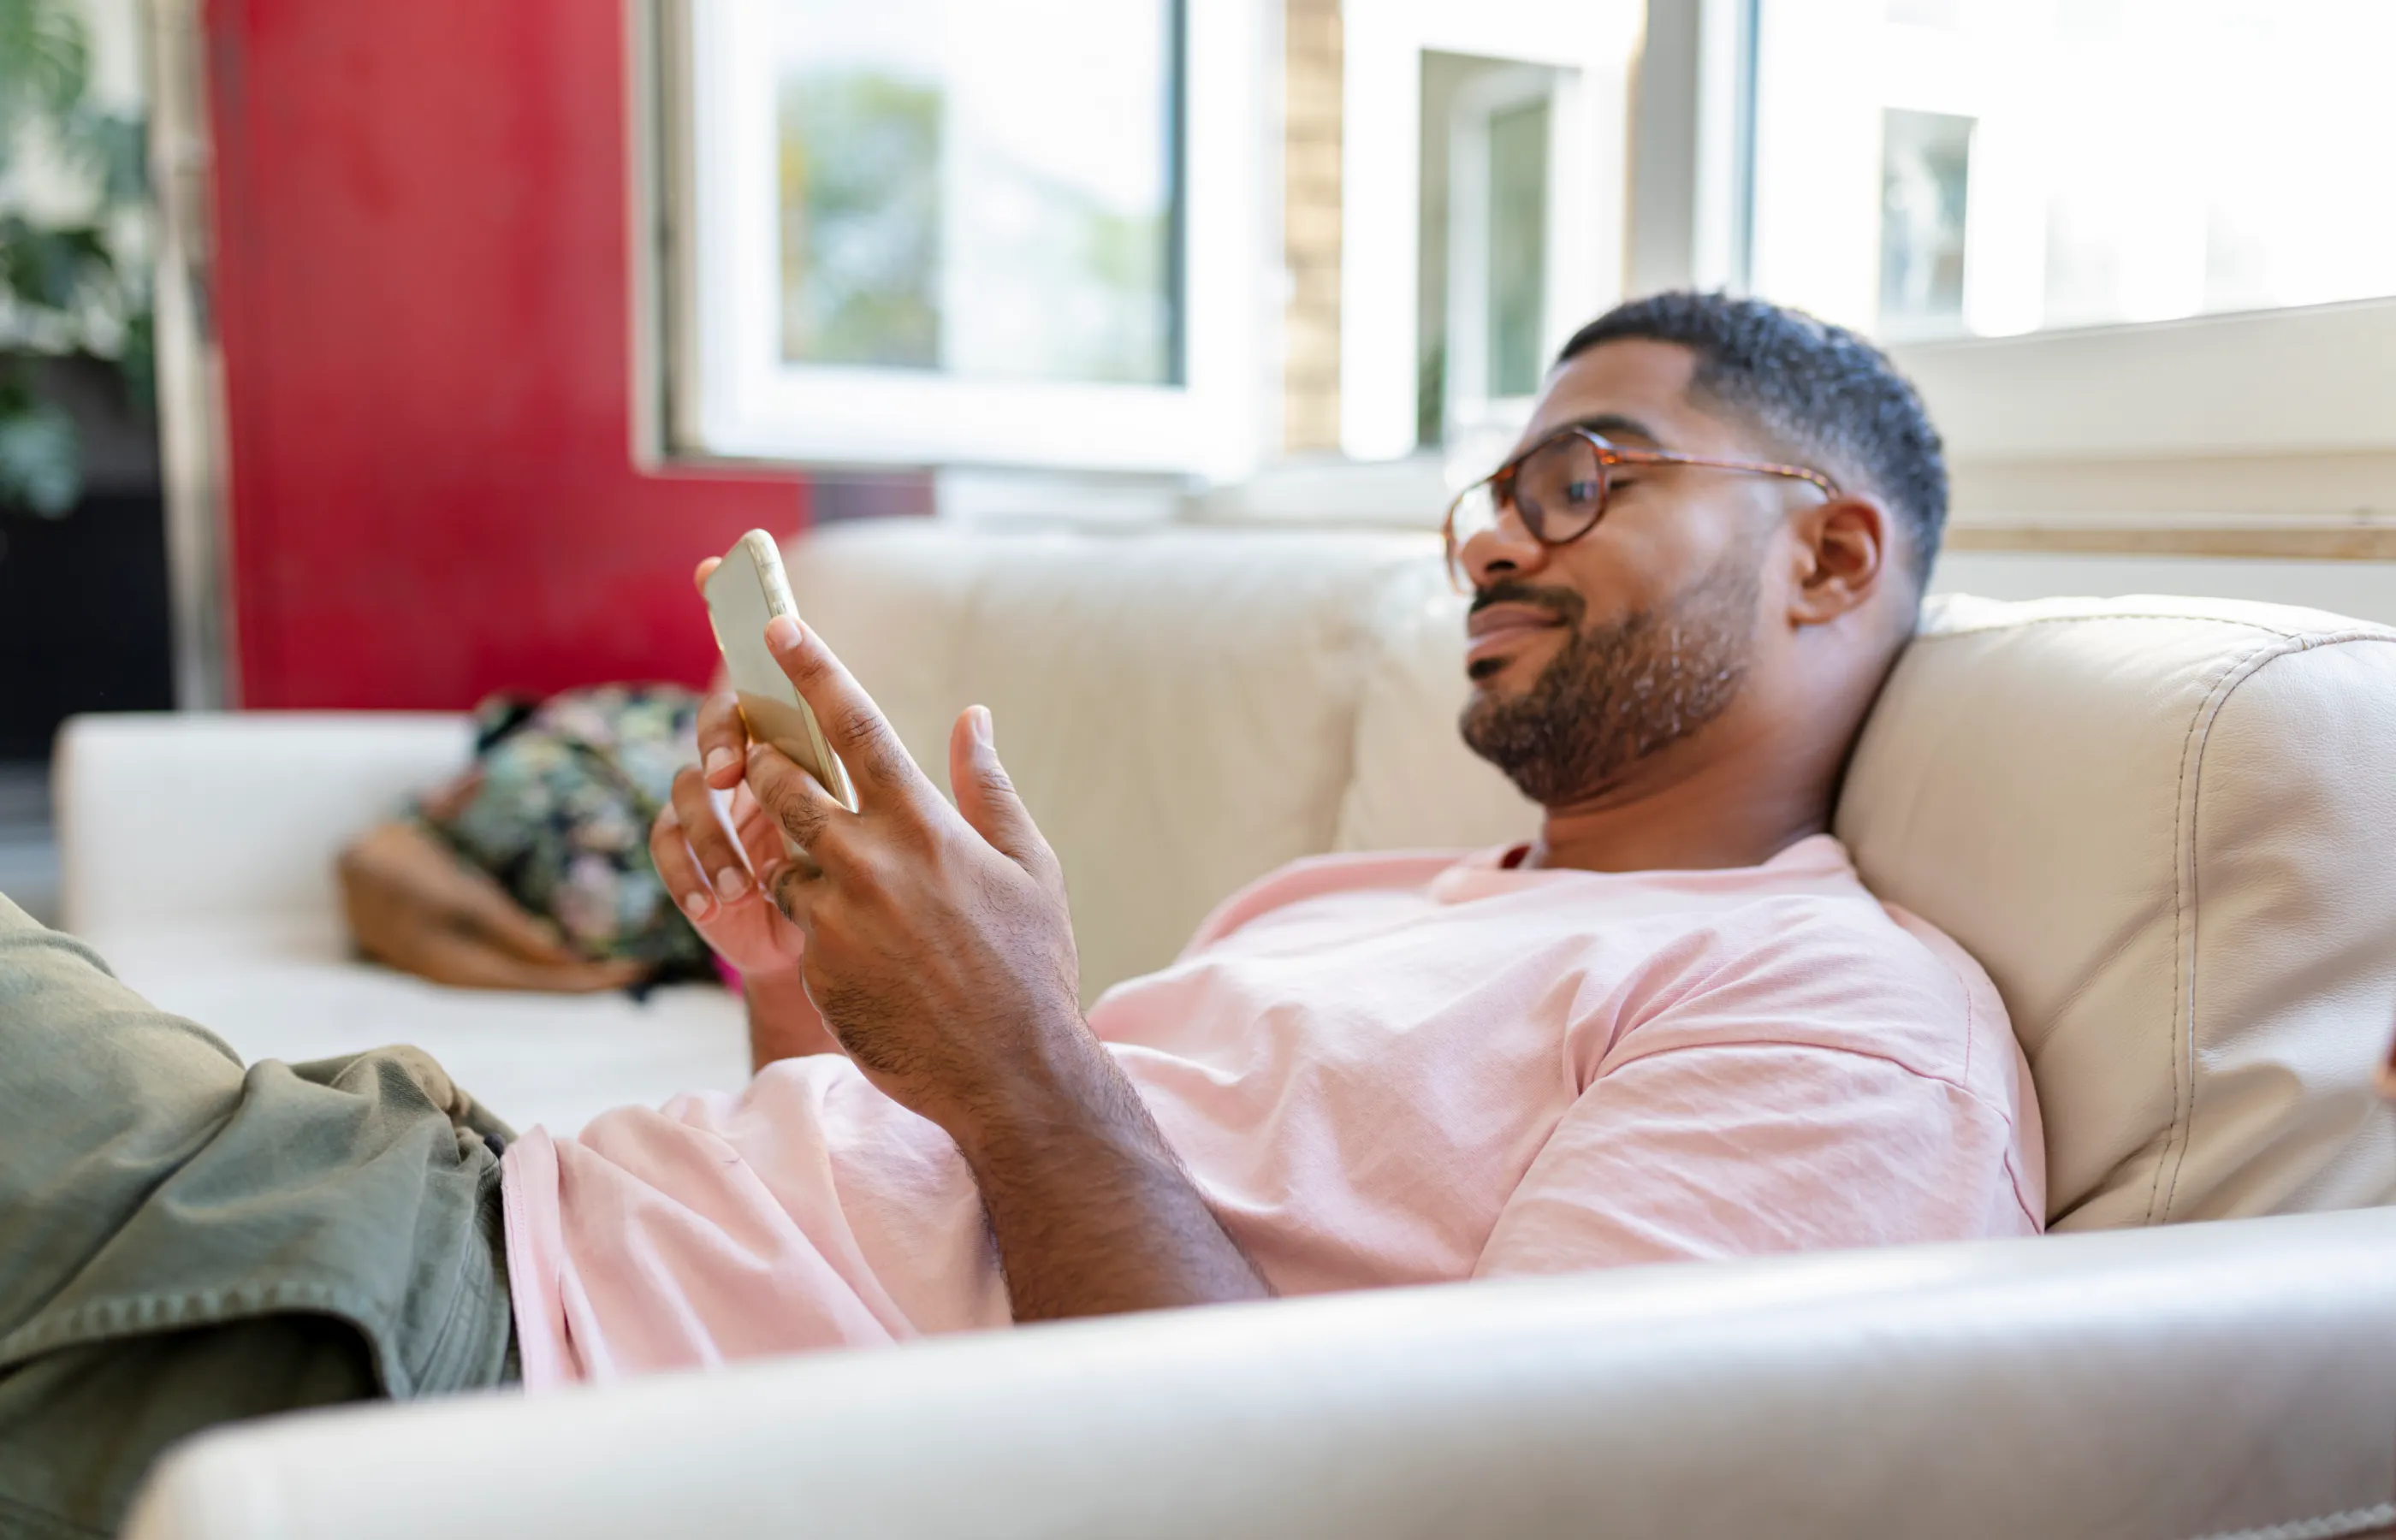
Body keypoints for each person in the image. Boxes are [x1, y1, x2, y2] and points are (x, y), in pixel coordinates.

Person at [0, 293, 2041, 1535]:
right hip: (478, 1221)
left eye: (1583, 479)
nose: (1498, 540)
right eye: (1489, 497)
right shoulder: (1367, 898)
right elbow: (935, 1251)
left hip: (469, 1361)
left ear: (1830, 554)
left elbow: (1439, 1508)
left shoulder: (1832, 1023)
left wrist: (1010, 1046)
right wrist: (807, 996)